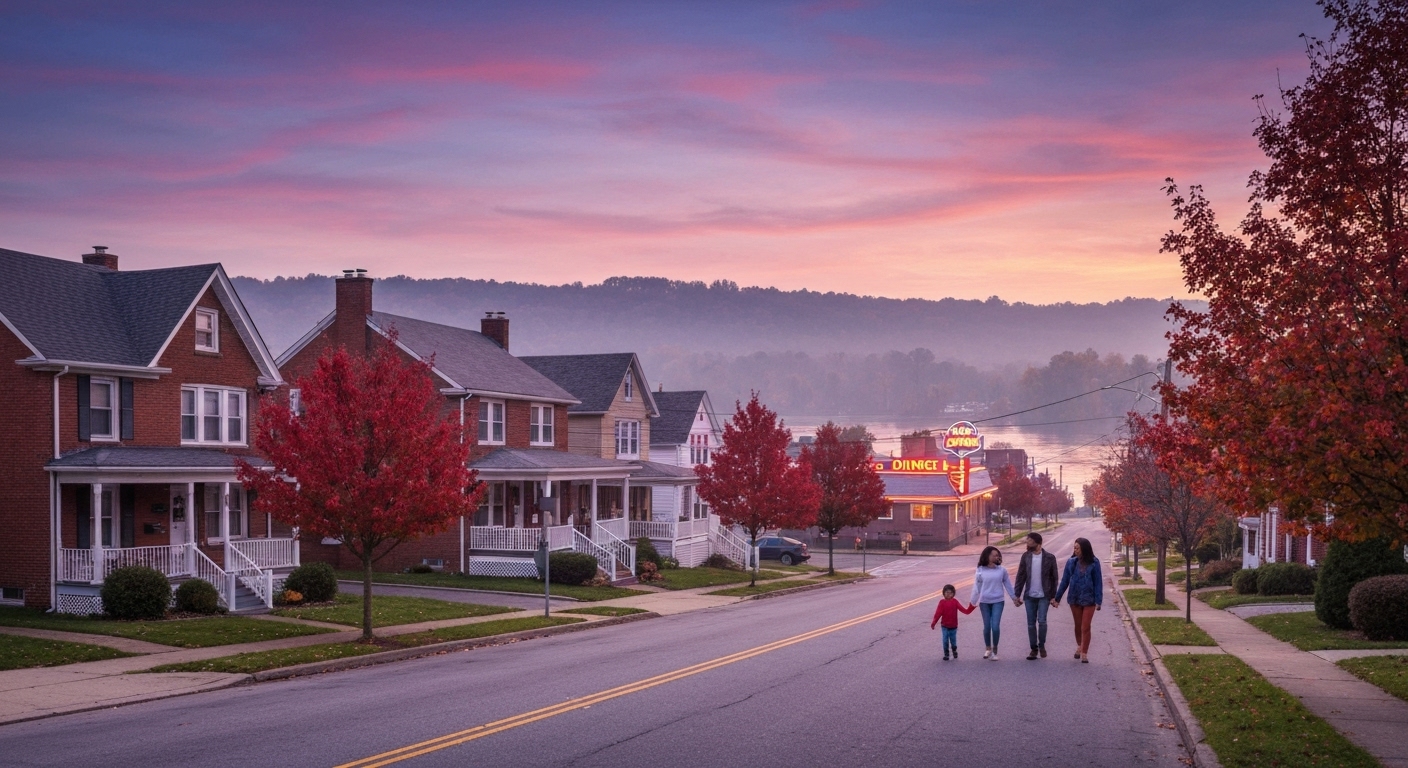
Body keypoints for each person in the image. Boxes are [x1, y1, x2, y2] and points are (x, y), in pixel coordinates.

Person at [1054, 537, 1104, 663]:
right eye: (1074, 548)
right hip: (1074, 598)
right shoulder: (1071, 562)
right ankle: (1079, 645)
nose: (1075, 550)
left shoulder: (1094, 562)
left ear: (1084, 549)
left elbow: (1098, 582)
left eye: (1077, 548)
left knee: (1085, 626)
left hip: (1089, 599)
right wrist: (1057, 598)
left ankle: (1084, 653)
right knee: (1078, 625)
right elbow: (1065, 581)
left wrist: (1099, 600)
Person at [1013, 531, 1059, 660]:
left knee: (1042, 621)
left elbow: (1054, 578)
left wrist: (1053, 596)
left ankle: (1042, 645)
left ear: (1038, 542)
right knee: (1030, 624)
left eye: (1029, 540)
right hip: (1030, 596)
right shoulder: (1026, 557)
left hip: (1044, 595)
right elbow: (1021, 576)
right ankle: (1033, 649)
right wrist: (1017, 594)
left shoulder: (1050, 558)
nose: (1027, 542)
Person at [970, 545, 1017, 660]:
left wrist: (1014, 598)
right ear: (987, 556)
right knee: (987, 626)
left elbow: (1008, 585)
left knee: (995, 626)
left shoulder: (1002, 570)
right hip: (984, 602)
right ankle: (988, 649)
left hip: (998, 601)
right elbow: (977, 587)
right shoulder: (980, 570)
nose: (996, 557)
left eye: (998, 555)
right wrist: (973, 602)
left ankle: (995, 650)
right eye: (994, 555)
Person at [930, 583, 976, 661]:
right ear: (943, 593)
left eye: (950, 593)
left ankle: (954, 650)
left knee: (953, 640)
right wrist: (934, 623)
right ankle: (946, 654)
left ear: (953, 594)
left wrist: (971, 607)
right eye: (947, 592)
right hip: (944, 625)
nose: (948, 594)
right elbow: (938, 613)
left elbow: (965, 611)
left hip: (953, 626)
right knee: (945, 640)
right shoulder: (942, 602)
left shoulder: (955, 602)